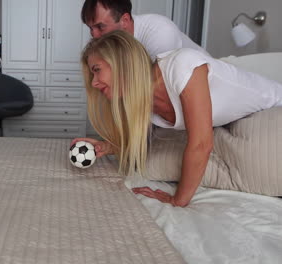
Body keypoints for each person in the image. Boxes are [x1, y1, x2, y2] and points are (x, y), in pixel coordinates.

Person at [72, 30, 282, 207]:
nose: (94, 83)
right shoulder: (140, 101)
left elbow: (201, 144)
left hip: (273, 108)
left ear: (120, 62)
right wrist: (107, 147)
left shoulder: (181, 65)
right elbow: (140, 138)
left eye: (97, 71)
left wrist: (178, 200)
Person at [81, 0, 209, 61]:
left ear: (125, 20)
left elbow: (159, 90)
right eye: (90, 28)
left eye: (100, 27)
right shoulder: (113, 43)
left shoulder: (160, 33)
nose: (94, 35)